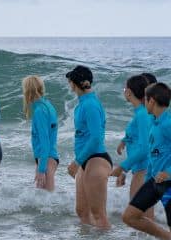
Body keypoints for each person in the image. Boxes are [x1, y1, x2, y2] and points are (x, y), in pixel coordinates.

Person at [122, 83, 171, 240]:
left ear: (152, 101)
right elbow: (152, 154)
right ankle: (167, 238)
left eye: (146, 99)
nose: (144, 102)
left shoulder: (168, 124)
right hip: (153, 181)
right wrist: (148, 176)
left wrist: (168, 172)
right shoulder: (154, 122)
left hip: (168, 183)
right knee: (129, 216)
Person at [65, 65, 112, 229]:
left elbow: (96, 138)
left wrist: (77, 161)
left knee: (98, 214)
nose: (69, 85)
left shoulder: (91, 105)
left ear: (75, 83)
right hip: (86, 160)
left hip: (96, 159)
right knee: (82, 211)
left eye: (70, 81)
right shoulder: (83, 103)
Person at [111, 75, 154, 218]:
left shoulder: (142, 114)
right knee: (142, 217)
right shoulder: (141, 113)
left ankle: (163, 238)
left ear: (129, 92)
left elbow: (144, 148)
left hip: (145, 169)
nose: (124, 91)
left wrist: (122, 167)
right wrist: (125, 140)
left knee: (138, 217)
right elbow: (138, 136)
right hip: (142, 169)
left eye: (124, 89)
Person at [22, 75, 59, 191]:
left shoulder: (39, 112)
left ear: (28, 91)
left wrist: (41, 169)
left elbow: (44, 142)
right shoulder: (48, 106)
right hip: (49, 157)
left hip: (46, 160)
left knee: (47, 203)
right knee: (45, 202)